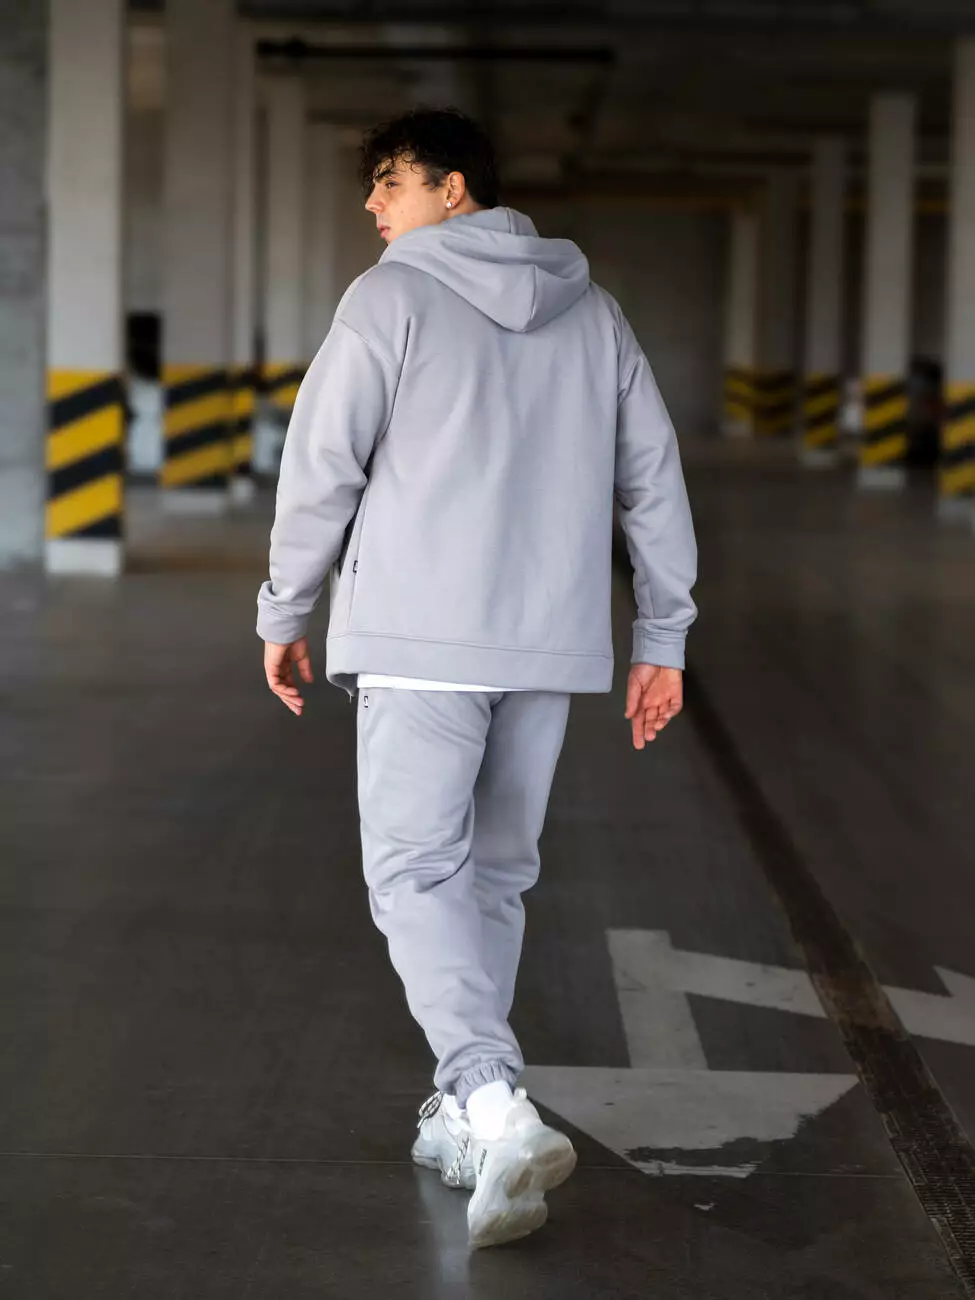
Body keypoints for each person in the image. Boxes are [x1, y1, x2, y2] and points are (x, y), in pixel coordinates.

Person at [256, 107, 697, 1249]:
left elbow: (322, 464)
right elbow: (651, 477)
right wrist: (661, 635)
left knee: (412, 872)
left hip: (416, 641)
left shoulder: (388, 297)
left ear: (454, 189)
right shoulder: (595, 311)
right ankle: (463, 1113)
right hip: (545, 644)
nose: (372, 203)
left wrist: (285, 608)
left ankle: (492, 1099)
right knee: (494, 875)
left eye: (390, 180)